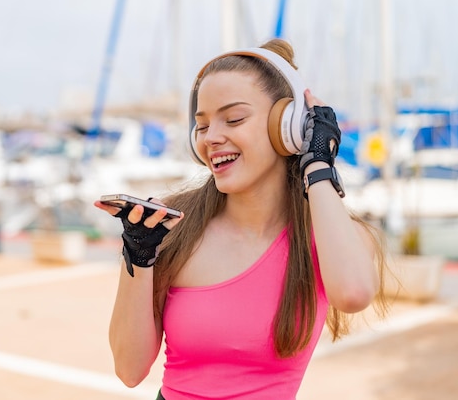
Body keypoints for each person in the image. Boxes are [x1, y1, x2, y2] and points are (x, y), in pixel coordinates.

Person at [94, 38, 390, 400]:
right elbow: (129, 368)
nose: (212, 138)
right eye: (201, 126)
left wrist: (317, 164)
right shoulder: (175, 228)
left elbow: (354, 293)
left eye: (233, 119)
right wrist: (138, 257)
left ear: (288, 126)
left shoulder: (330, 237)